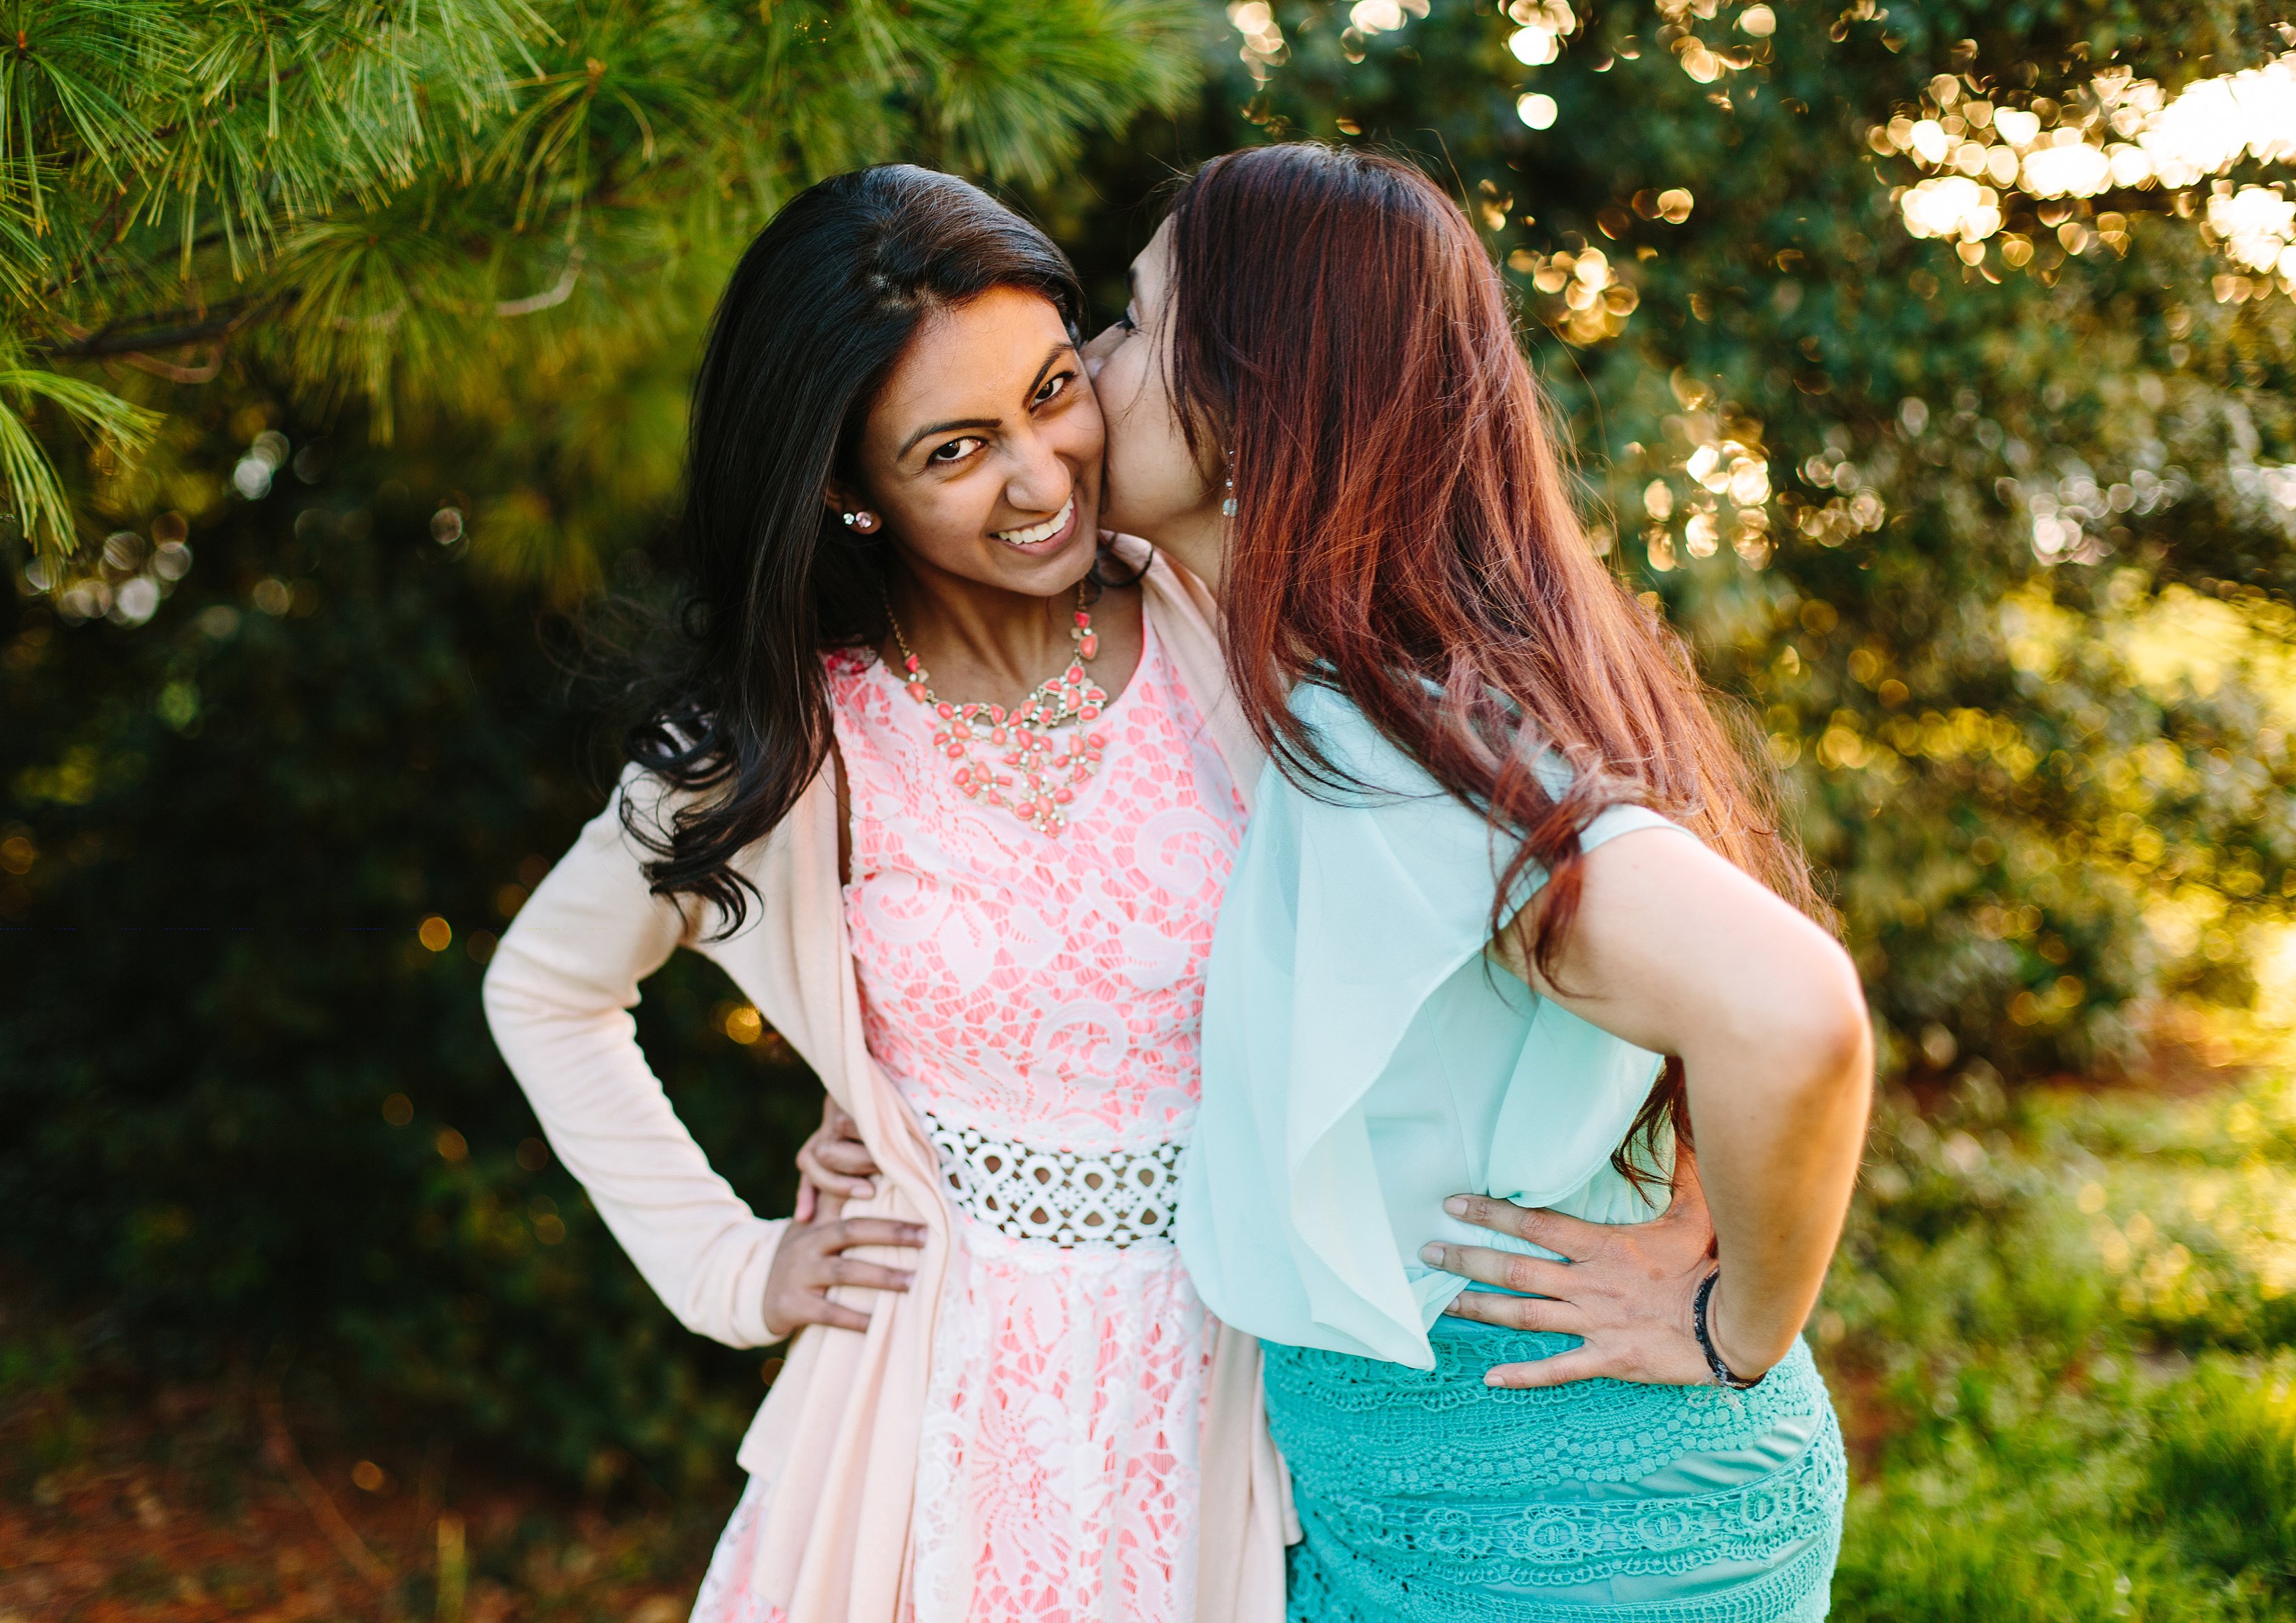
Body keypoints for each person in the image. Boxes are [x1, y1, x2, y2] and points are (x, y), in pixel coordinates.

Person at [480, 165, 1292, 1623]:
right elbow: (547, 986)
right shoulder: (781, 741)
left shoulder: (1221, 617)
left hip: (1225, 1392)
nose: (1041, 476)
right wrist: (737, 1269)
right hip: (921, 1423)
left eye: (1055, 389)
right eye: (956, 449)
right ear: (848, 488)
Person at [1081, 143, 1873, 1622]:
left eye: (1130, 320)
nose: (1088, 362)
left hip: (1550, 1521)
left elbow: (1790, 1008)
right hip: (1477, 1495)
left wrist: (1736, 1323)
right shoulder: (1360, 685)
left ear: (1251, 402)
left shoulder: (1400, 740)